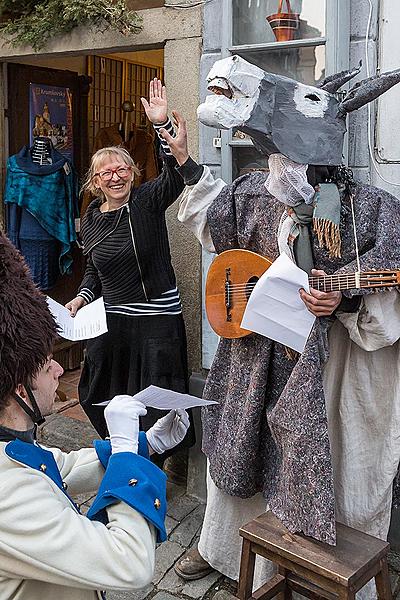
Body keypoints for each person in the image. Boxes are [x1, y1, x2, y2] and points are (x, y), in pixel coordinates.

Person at [158, 56, 400, 596]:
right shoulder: (251, 193)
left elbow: (389, 301)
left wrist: (339, 304)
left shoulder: (370, 209)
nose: (278, 168)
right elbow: (215, 224)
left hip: (328, 372)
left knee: (321, 468)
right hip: (254, 358)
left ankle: (309, 571)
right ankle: (222, 548)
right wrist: (183, 156)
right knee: (241, 447)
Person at [0, 230, 190, 599]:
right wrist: (122, 455)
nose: (59, 370)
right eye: (46, 364)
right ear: (20, 388)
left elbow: (63, 469)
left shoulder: (12, 447)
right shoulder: (7, 495)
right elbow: (130, 563)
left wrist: (144, 444)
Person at [66, 80, 197, 463]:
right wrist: (82, 296)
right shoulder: (91, 218)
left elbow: (174, 175)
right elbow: (94, 267)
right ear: (95, 182)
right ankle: (121, 450)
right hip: (114, 322)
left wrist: (161, 127)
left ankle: (151, 463)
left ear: (133, 174)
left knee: (157, 401)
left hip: (157, 320)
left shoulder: (146, 202)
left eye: (123, 169)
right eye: (106, 172)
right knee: (94, 390)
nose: (116, 176)